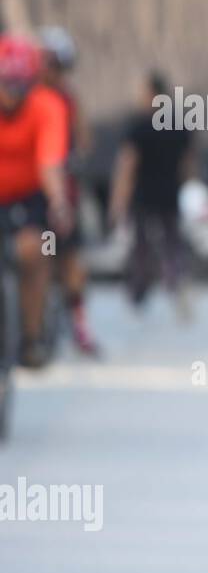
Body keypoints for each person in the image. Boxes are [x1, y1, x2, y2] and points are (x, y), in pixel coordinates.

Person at [0, 33, 73, 369]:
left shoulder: (48, 106)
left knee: (39, 250)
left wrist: (59, 201)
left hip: (30, 198)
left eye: (20, 86)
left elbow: (49, 163)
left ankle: (31, 336)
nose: (12, 95)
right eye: (6, 85)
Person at [107, 71, 197, 319]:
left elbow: (127, 166)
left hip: (144, 196)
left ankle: (139, 291)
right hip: (169, 194)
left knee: (141, 246)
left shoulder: (140, 126)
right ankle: (176, 281)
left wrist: (117, 202)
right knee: (172, 243)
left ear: (150, 94)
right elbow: (189, 166)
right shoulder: (179, 125)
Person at [38, 27, 101, 356]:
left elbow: (85, 141)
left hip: (63, 191)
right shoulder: (25, 96)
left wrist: (71, 160)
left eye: (57, 65)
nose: (51, 71)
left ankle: (79, 325)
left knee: (71, 260)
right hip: (28, 191)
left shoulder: (68, 99)